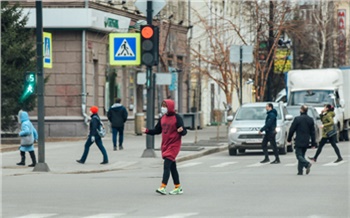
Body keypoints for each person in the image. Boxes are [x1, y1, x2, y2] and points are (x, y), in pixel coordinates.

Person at [142, 99, 187, 195]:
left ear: (170, 107)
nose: (163, 108)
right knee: (172, 167)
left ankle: (163, 187)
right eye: (162, 106)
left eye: (165, 106)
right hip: (165, 144)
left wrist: (181, 130)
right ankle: (178, 187)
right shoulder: (162, 118)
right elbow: (157, 130)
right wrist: (147, 131)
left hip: (174, 145)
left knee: (166, 165)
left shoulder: (177, 118)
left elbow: (184, 131)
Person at [287, 105, 316, 175]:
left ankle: (307, 164)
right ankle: (300, 171)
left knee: (298, 155)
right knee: (302, 155)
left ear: (301, 110)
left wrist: (289, 139)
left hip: (299, 139)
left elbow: (292, 130)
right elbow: (313, 132)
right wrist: (313, 143)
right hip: (306, 140)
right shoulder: (310, 119)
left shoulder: (297, 119)